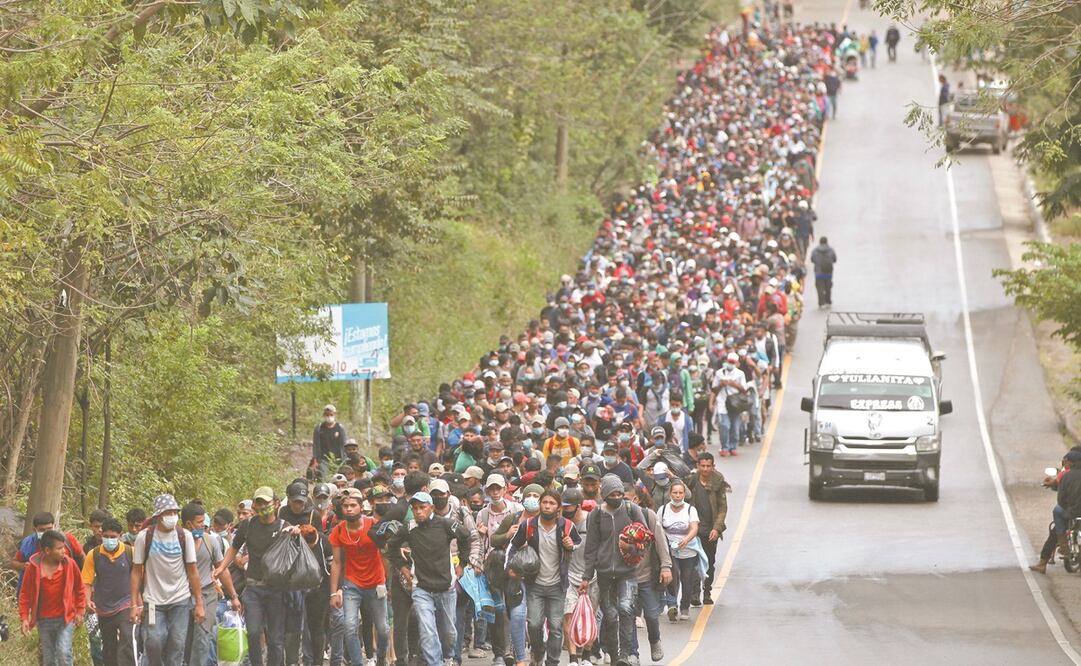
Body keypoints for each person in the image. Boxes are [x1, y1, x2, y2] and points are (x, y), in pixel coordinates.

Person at [390, 492, 474, 666]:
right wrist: (403, 567)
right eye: (415, 509)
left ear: (432, 508)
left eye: (422, 507)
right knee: (428, 632)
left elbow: (466, 537)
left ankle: (448, 657)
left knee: (449, 633)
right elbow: (392, 545)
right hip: (421, 588)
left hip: (446, 587)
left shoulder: (446, 524)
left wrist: (462, 564)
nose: (418, 512)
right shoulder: (409, 527)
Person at [220, 486, 291, 666]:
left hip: (276, 589)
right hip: (253, 588)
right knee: (252, 632)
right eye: (258, 502)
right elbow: (234, 548)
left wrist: (298, 534)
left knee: (275, 639)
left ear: (275, 504)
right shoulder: (248, 525)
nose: (261, 507)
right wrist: (221, 567)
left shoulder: (284, 527)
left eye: (265, 503)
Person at [508, 489, 581, 666]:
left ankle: (552, 661)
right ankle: (538, 651)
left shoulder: (567, 526)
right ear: (540, 504)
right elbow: (513, 546)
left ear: (558, 508)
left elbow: (577, 543)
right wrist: (511, 567)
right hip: (535, 585)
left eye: (552, 503)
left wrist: (570, 546)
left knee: (556, 627)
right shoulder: (529, 525)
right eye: (545, 502)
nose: (547, 506)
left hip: (558, 585)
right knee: (534, 624)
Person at [579, 475, 646, 666]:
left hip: (628, 572)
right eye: (612, 494)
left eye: (619, 494)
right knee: (610, 614)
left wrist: (630, 548)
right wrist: (586, 576)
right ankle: (614, 654)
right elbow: (591, 547)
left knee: (626, 609)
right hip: (604, 573)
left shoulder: (632, 510)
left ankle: (625, 654)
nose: (616, 497)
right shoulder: (596, 515)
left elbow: (645, 539)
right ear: (605, 494)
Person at [130, 494, 204, 666]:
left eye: (174, 512)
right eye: (167, 512)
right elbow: (136, 571)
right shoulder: (144, 537)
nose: (172, 516)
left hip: (180, 600)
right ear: (158, 516)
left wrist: (199, 602)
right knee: (153, 641)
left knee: (177, 644)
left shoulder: (184, 536)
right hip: (153, 602)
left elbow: (193, 571)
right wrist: (134, 604)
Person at [329, 489, 390, 666]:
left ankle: (380, 658)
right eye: (345, 506)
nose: (349, 509)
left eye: (353, 505)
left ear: (361, 507)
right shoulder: (338, 531)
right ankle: (357, 663)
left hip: (376, 582)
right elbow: (337, 563)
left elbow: (385, 554)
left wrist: (387, 582)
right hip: (352, 584)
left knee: (383, 629)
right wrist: (333, 593)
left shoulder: (375, 525)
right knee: (349, 626)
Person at [181, 501, 241, 666]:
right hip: (182, 595)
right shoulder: (177, 543)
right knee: (182, 638)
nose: (204, 526)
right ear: (188, 524)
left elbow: (222, 570)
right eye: (200, 523)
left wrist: (234, 596)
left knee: (203, 637)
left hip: (207, 594)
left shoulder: (210, 541)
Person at [19, 529, 87, 666]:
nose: (64, 551)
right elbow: (25, 593)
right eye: (59, 548)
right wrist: (25, 617)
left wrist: (80, 610)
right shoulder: (33, 567)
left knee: (63, 653)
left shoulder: (70, 564)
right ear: (47, 551)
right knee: (49, 658)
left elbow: (80, 588)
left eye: (64, 547)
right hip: (44, 620)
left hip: (65, 618)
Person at [82, 518, 136, 666]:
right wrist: (87, 601)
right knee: (108, 645)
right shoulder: (94, 555)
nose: (109, 540)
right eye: (106, 536)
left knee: (127, 639)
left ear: (120, 536)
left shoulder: (130, 552)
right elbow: (86, 582)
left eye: (113, 537)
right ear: (101, 534)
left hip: (126, 603)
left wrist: (138, 602)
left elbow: (139, 578)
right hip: (103, 606)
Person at [683, 453, 728, 605]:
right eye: (702, 466)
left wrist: (717, 528)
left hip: (710, 531)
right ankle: (695, 594)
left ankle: (707, 591)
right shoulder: (691, 481)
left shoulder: (718, 481)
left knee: (709, 562)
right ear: (698, 466)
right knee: (693, 562)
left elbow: (722, 508)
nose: (705, 469)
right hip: (693, 529)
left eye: (708, 466)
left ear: (713, 466)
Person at [12, 512, 86, 591]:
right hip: (37, 593)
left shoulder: (68, 540)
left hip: (65, 591)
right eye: (42, 530)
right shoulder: (28, 544)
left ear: (55, 526)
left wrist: (85, 583)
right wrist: (23, 566)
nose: (46, 533)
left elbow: (82, 558)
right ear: (35, 530)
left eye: (49, 528)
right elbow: (14, 562)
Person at [659, 481, 699, 622]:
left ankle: (684, 607)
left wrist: (686, 540)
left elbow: (694, 528)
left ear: (684, 494)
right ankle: (671, 605)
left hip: (688, 551)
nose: (677, 495)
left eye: (680, 493)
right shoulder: (663, 509)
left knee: (686, 579)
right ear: (670, 494)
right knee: (671, 577)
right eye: (675, 492)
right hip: (670, 550)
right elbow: (658, 529)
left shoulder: (690, 510)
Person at [710, 353, 749, 457]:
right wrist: (721, 385)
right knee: (725, 426)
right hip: (722, 402)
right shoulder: (719, 373)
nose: (730, 364)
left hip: (735, 404)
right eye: (729, 362)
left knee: (735, 427)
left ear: (736, 363)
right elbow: (714, 389)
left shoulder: (740, 374)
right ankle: (724, 447)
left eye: (732, 362)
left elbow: (744, 389)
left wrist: (733, 384)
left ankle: (733, 446)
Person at [313, 404, 348, 480]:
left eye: (331, 414)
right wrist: (315, 460)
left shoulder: (340, 428)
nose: (329, 417)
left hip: (338, 459)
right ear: (323, 415)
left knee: (338, 479)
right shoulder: (319, 428)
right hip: (324, 459)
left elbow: (344, 444)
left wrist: (345, 459)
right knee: (324, 478)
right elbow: (316, 445)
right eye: (327, 415)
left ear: (335, 414)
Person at [810, 236, 837, 308]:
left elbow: (812, 259)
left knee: (819, 287)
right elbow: (834, 259)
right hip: (828, 272)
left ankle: (821, 302)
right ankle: (828, 300)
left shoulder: (815, 250)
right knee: (828, 287)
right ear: (826, 242)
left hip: (819, 273)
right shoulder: (831, 250)